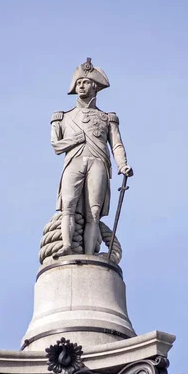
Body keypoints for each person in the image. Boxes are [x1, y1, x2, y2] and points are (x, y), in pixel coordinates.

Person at [50, 58, 133, 257]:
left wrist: (122, 165)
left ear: (94, 86)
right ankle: (67, 246)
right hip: (74, 161)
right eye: (78, 83)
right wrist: (75, 140)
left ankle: (89, 254)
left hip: (98, 162)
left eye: (85, 82)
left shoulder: (107, 118)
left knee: (93, 213)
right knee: (68, 205)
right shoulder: (63, 117)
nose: (81, 86)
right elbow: (55, 146)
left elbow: (117, 145)